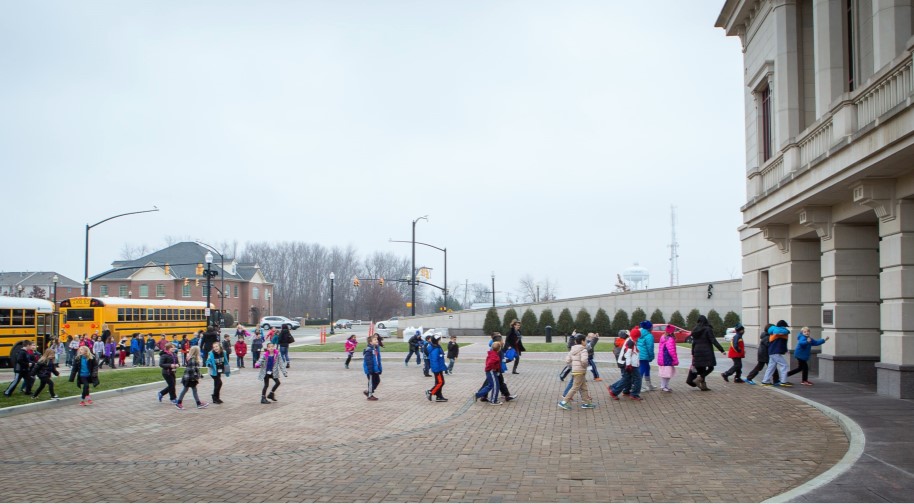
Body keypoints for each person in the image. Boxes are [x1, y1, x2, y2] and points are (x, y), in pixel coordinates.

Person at [687, 315, 726, 391]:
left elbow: (693, 342)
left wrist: (693, 353)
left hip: (697, 351)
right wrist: (722, 350)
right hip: (706, 351)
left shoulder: (695, 330)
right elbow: (713, 340)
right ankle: (699, 379)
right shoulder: (708, 329)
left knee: (702, 368)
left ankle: (703, 386)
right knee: (711, 367)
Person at [558, 334, 596, 410]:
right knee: (575, 387)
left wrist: (574, 366)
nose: (586, 342)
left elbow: (567, 360)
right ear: (582, 341)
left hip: (575, 371)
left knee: (583, 387)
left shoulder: (572, 349)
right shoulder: (583, 350)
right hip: (580, 371)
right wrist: (585, 366)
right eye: (585, 340)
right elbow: (584, 361)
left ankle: (586, 403)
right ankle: (564, 402)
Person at [609, 329, 642, 401]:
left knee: (627, 378)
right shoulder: (631, 342)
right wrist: (628, 365)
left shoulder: (631, 340)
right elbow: (627, 354)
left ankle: (613, 389)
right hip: (628, 363)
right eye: (638, 337)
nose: (639, 338)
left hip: (629, 363)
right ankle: (633, 394)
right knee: (635, 378)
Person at [762, 320, 792, 387]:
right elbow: (786, 332)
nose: (785, 328)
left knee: (771, 367)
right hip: (776, 353)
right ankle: (783, 381)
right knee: (784, 365)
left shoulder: (773, 333)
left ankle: (765, 381)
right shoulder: (780, 333)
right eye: (785, 327)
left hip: (772, 352)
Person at [475, 341, 503, 405]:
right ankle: (493, 401)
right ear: (499, 349)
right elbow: (490, 363)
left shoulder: (492, 353)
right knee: (496, 386)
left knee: (490, 385)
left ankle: (477, 395)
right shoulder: (494, 356)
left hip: (491, 371)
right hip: (491, 371)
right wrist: (493, 369)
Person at [425, 334, 448, 402]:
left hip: (439, 367)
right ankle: (430, 392)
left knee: (438, 382)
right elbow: (434, 360)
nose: (440, 341)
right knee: (441, 382)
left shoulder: (436, 346)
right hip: (437, 369)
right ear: (436, 341)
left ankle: (439, 396)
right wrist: (437, 369)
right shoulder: (434, 349)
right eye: (439, 340)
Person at [657, 325, 679, 392]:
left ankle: (664, 386)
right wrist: (675, 359)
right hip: (668, 358)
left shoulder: (663, 337)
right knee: (667, 373)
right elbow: (671, 350)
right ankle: (664, 386)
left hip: (663, 357)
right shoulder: (670, 339)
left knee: (665, 373)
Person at [636, 321, 657, 391]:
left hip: (638, 354)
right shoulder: (649, 336)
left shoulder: (639, 333)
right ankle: (638, 386)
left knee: (647, 368)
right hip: (644, 355)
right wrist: (651, 357)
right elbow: (650, 347)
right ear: (649, 328)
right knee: (642, 369)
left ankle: (649, 385)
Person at [363, 334, 382, 401]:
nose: (376, 340)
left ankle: (369, 392)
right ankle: (370, 395)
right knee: (371, 382)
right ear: (370, 342)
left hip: (375, 369)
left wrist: (378, 368)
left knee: (377, 381)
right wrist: (370, 370)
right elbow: (369, 362)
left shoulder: (376, 349)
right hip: (370, 370)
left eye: (377, 339)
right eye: (375, 340)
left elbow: (377, 360)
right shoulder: (369, 350)